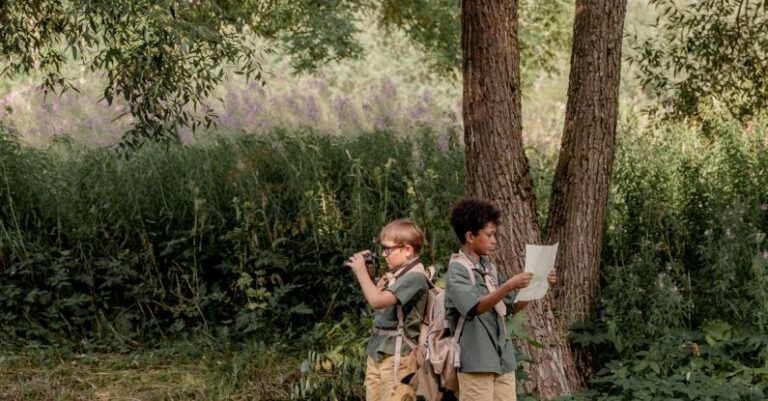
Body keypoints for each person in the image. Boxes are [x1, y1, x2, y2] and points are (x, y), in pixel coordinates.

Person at [445, 198, 557, 401]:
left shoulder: (490, 269)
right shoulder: (457, 270)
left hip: (502, 359)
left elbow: (511, 307)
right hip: (476, 362)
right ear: (470, 236)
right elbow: (475, 308)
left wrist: (540, 283)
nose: (494, 240)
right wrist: (508, 286)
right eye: (489, 235)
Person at [345, 218, 430, 401]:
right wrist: (370, 274)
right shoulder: (398, 274)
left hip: (398, 356)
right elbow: (378, 302)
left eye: (387, 249)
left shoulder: (415, 277)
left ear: (407, 250)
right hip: (379, 351)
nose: (384, 254)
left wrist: (360, 272)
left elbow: (376, 301)